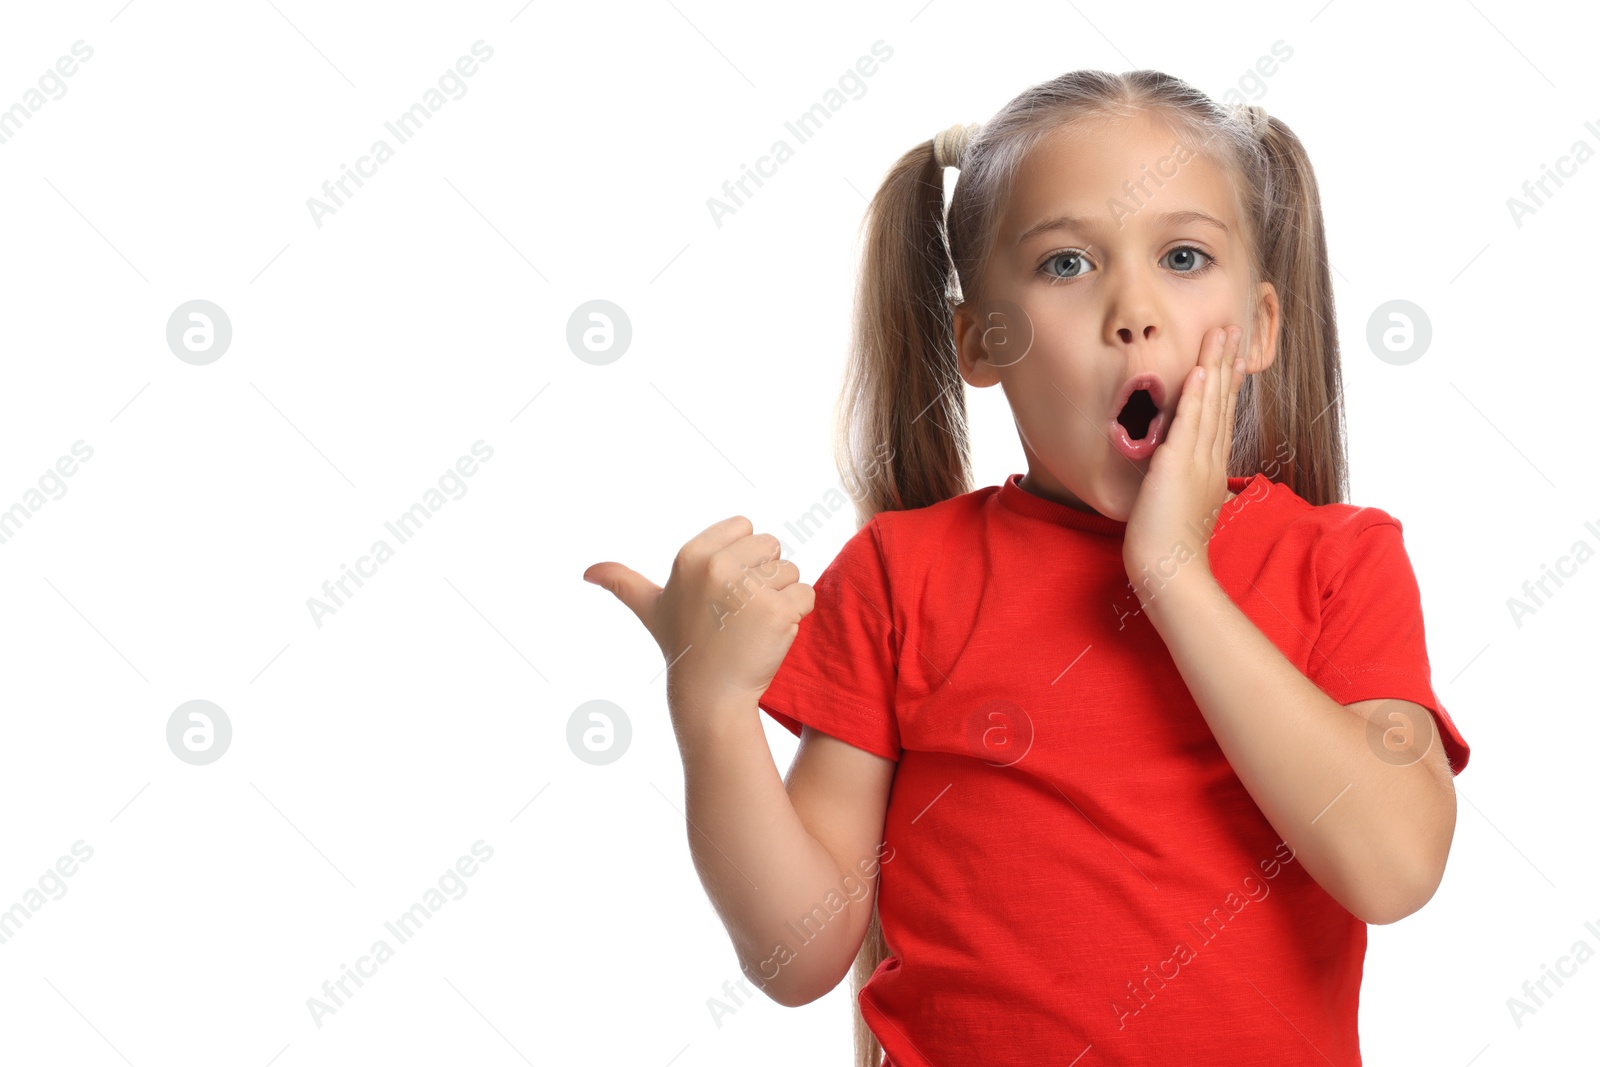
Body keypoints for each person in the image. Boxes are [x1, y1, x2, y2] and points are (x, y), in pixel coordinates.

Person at [584, 68, 1471, 1067]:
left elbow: (1393, 866)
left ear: (1260, 326)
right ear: (979, 341)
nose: (1132, 310)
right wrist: (710, 716)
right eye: (1065, 265)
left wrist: (1175, 575)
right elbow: (799, 951)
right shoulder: (899, 574)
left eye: (1183, 256)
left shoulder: (1340, 561)